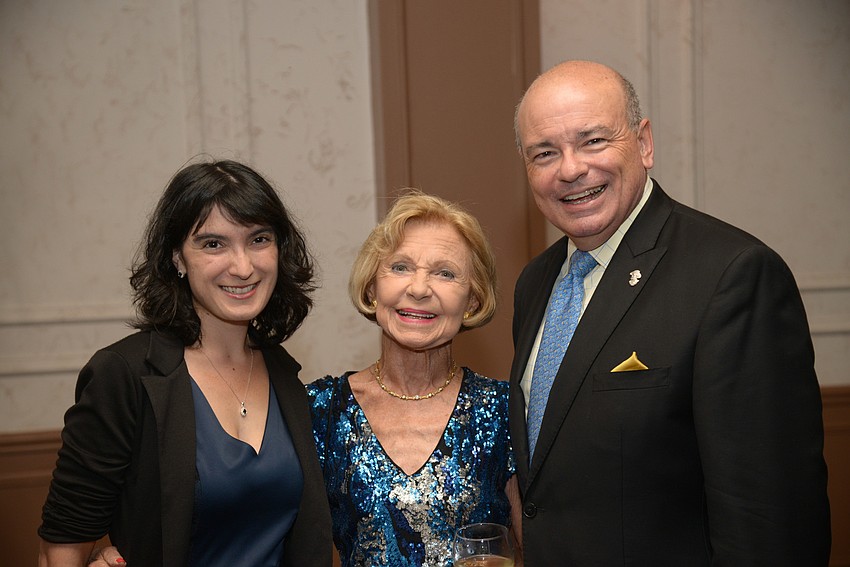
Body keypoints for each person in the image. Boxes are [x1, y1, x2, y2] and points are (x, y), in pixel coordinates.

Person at [509, 59, 831, 565]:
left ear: (644, 143)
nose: (570, 168)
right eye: (544, 152)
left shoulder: (732, 276)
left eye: (593, 140)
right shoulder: (535, 283)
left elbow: (771, 518)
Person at [38, 160, 333, 566]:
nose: (243, 266)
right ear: (177, 257)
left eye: (258, 239)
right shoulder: (125, 374)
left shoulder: (284, 373)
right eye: (213, 244)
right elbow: (63, 543)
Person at [307, 191, 522, 566]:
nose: (419, 289)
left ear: (472, 300)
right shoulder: (322, 410)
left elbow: (537, 551)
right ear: (373, 288)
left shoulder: (504, 410)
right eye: (401, 267)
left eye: (445, 273)